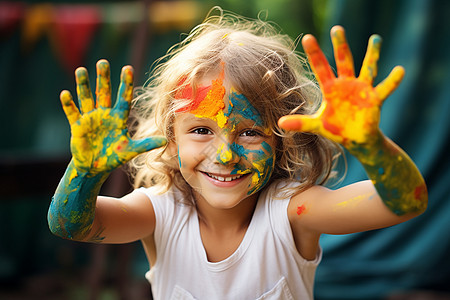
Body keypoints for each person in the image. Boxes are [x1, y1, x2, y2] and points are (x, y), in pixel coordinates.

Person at [48, 10, 427, 300]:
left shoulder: (292, 213)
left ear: (281, 139)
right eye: (201, 130)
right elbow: (68, 225)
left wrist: (371, 144)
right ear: (171, 138)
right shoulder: (159, 212)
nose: (225, 155)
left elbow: (403, 203)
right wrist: (84, 171)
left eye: (249, 132)